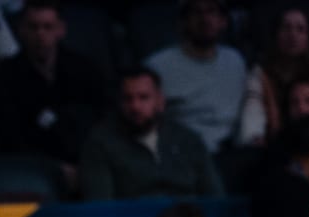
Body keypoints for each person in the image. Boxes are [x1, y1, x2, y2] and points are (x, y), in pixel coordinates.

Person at [0, 0, 106, 165]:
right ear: (21, 30)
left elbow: (101, 119)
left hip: (86, 161)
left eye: (47, 27)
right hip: (33, 167)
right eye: (33, 27)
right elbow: (10, 136)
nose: (40, 34)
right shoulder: (4, 78)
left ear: (61, 30)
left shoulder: (84, 70)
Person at [80, 67, 224, 200]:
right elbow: (100, 206)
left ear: (160, 101)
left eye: (143, 97)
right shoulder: (101, 144)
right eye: (127, 99)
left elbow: (216, 198)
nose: (135, 107)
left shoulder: (188, 140)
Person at [144, 0, 247, 154]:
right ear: (183, 22)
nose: (205, 19)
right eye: (197, 12)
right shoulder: (157, 66)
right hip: (181, 154)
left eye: (211, 11)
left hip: (231, 153)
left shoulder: (235, 61)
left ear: (223, 21)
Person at [238, 5, 309, 147]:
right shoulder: (261, 74)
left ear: (308, 37)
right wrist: (254, 139)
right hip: (279, 146)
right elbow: (252, 113)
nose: (293, 35)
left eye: (300, 29)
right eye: (286, 28)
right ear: (276, 35)